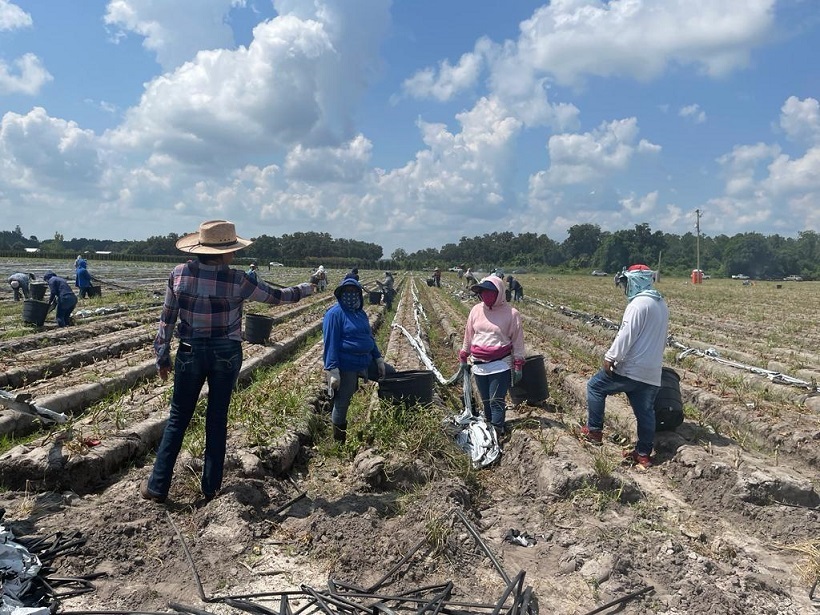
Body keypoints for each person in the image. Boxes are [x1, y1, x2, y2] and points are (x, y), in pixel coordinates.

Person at [142, 219, 315, 504]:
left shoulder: (178, 274)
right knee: (216, 418)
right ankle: (210, 488)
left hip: (189, 352)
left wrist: (162, 356)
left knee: (177, 419)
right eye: (232, 250)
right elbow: (276, 297)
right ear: (222, 252)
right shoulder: (237, 279)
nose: (235, 255)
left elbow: (167, 319)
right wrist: (306, 288)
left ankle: (157, 487)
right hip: (226, 353)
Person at [582, 264, 669, 469]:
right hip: (652, 371)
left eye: (626, 283)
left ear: (635, 281)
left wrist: (611, 356)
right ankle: (643, 454)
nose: (625, 288)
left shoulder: (638, 304)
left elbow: (626, 334)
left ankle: (594, 430)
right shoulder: (661, 303)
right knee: (645, 412)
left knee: (595, 386)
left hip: (631, 368)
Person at [322, 278, 394, 443]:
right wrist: (333, 370)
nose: (351, 296)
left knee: (390, 375)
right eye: (347, 292)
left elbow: (369, 337)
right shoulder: (334, 314)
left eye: (354, 292)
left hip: (365, 360)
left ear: (360, 295)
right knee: (342, 402)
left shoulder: (360, 313)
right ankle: (339, 441)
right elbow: (330, 343)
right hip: (346, 364)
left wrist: (378, 358)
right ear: (341, 294)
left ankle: (388, 414)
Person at [459, 275, 525, 436]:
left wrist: (518, 364)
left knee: (496, 401)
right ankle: (489, 427)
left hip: (500, 364)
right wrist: (464, 354)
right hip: (479, 364)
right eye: (483, 292)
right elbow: (469, 334)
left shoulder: (511, 314)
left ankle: (497, 430)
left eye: (490, 292)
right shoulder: (476, 310)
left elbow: (517, 341)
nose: (486, 296)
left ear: (500, 293)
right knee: (486, 401)